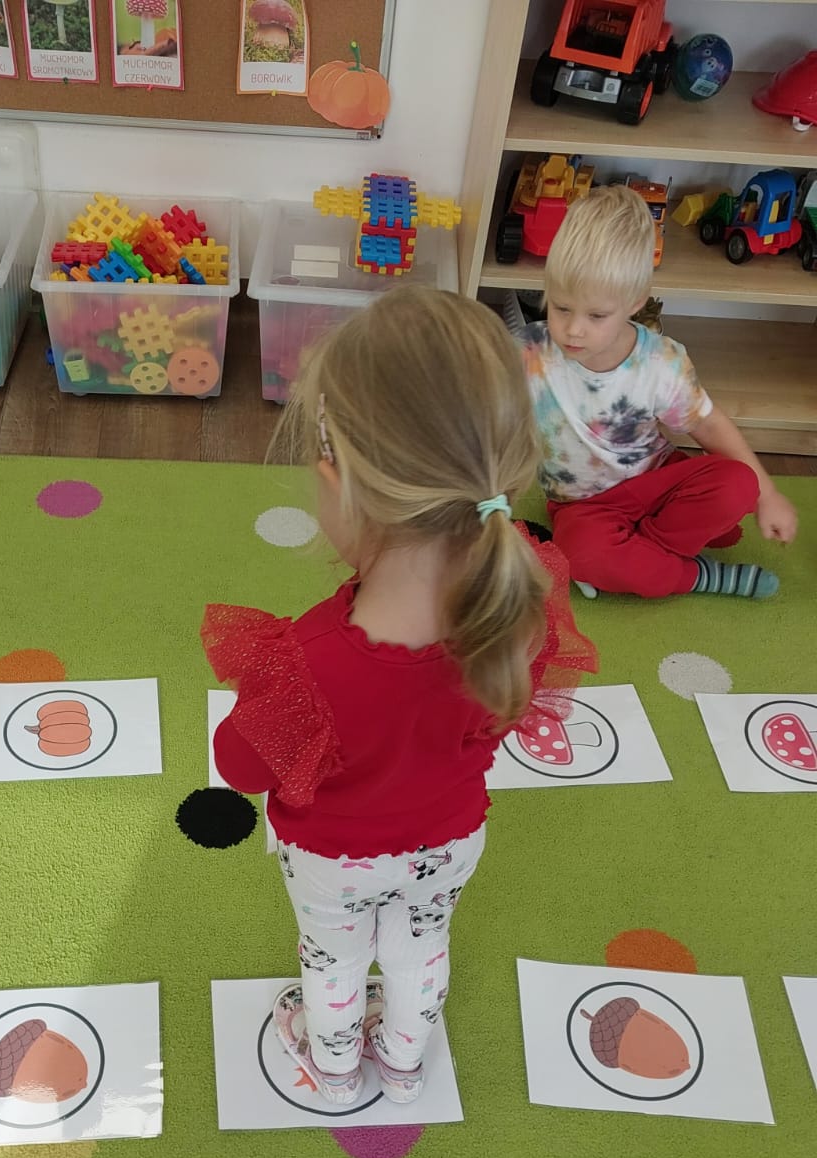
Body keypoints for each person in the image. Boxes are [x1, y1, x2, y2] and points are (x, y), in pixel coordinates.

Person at [202, 286, 596, 1107]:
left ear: (336, 479)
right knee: (421, 951)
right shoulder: (519, 611)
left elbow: (238, 767)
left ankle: (335, 1071)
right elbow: (497, 720)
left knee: (334, 961)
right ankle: (407, 1064)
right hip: (449, 844)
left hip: (332, 863)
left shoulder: (308, 659)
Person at [519, 183, 798, 600]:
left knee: (741, 484)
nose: (573, 329)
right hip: (583, 507)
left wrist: (768, 494)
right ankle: (698, 575)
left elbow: (710, 426)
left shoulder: (659, 362)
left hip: (658, 484)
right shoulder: (528, 352)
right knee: (580, 554)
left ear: (635, 301)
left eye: (596, 315)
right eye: (560, 307)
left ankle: (643, 556)